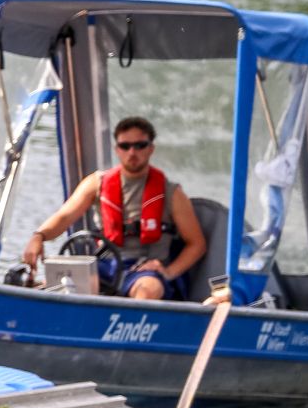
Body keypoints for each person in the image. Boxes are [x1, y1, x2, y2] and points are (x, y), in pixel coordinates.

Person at [21, 116, 207, 301]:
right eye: (125, 146)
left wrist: (167, 272)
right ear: (117, 149)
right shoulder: (96, 184)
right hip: (104, 267)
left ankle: (131, 325)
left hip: (144, 270)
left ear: (151, 149)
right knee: (49, 287)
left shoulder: (172, 193)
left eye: (139, 145)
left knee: (147, 291)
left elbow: (197, 244)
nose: (132, 152)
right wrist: (39, 236)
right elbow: (64, 216)